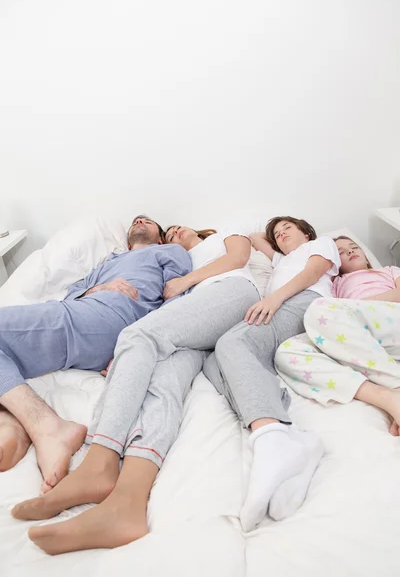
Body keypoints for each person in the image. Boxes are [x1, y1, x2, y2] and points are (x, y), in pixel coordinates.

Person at [12, 224, 262, 555]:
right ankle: (126, 505)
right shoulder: (160, 258)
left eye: (176, 228)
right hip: (196, 317)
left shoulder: (218, 239)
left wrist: (183, 283)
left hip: (225, 294)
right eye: (170, 231)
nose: (175, 232)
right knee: (165, 381)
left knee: (136, 337)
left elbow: (241, 256)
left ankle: (99, 463)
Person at [0, 215, 191, 493]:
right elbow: (73, 294)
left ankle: (49, 427)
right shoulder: (109, 261)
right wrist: (100, 286)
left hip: (109, 316)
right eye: (137, 219)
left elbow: (179, 300)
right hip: (84, 317)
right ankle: (13, 423)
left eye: (148, 221)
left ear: (160, 237)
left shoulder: (168, 251)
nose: (140, 220)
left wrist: (136, 346)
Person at [202, 216, 341, 531]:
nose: (281, 234)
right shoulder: (281, 259)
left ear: (307, 231)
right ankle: (288, 439)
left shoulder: (322, 244)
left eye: (288, 228)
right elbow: (254, 236)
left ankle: (271, 438)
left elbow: (311, 273)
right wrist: (276, 237)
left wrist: (274, 298)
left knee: (232, 343)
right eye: (277, 234)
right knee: (212, 362)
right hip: (283, 305)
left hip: (305, 301)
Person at [275, 235, 400, 434]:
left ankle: (395, 384)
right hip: (364, 343)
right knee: (287, 351)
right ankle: (387, 396)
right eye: (341, 252)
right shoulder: (335, 284)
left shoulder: (388, 271)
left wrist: (359, 306)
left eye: (353, 247)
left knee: (321, 309)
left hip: (392, 321)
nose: (350, 251)